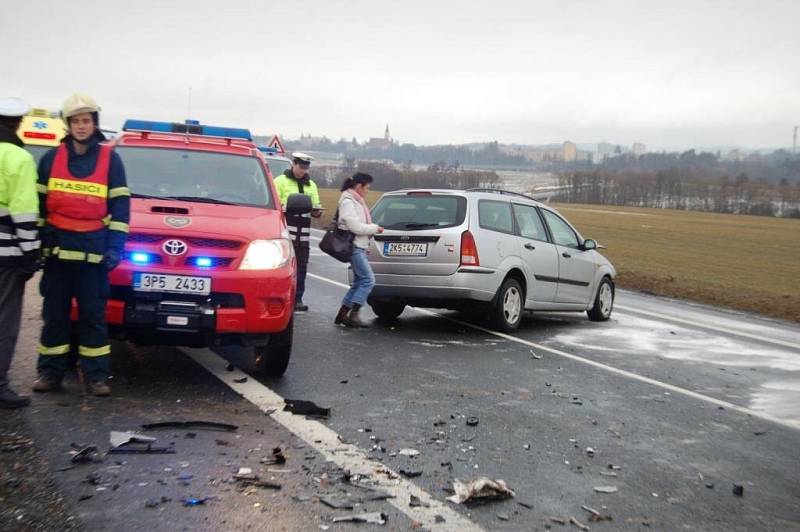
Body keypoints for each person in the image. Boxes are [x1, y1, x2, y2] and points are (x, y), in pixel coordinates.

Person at [33, 93, 130, 397]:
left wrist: (115, 248)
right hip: (58, 257)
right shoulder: (52, 158)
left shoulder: (110, 159)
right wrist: (41, 242)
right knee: (55, 318)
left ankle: (97, 377)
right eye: (76, 121)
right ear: (68, 124)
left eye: (86, 120)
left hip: (94, 259)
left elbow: (120, 209)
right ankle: (50, 374)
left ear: (94, 123)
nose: (81, 126)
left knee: (93, 319)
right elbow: (39, 205)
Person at [0, 97, 40, 408]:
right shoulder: (18, 158)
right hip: (6, 256)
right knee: (5, 320)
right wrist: (31, 253)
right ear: (19, 123)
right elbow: (24, 212)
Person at [273, 152, 322, 311]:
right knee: (282, 266)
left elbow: (316, 204)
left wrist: (317, 211)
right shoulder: (280, 181)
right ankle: (279, 296)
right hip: (285, 231)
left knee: (301, 267)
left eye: (305, 168)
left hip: (303, 233)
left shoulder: (311, 185)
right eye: (300, 167)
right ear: (293, 164)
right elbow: (274, 203)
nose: (303, 171)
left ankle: (298, 298)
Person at [333, 173, 383, 328]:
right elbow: (354, 226)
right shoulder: (349, 202)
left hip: (358, 245)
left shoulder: (355, 200)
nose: (368, 191)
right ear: (359, 186)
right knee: (368, 280)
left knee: (358, 282)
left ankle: (342, 315)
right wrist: (374, 228)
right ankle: (354, 315)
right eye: (367, 187)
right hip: (354, 246)